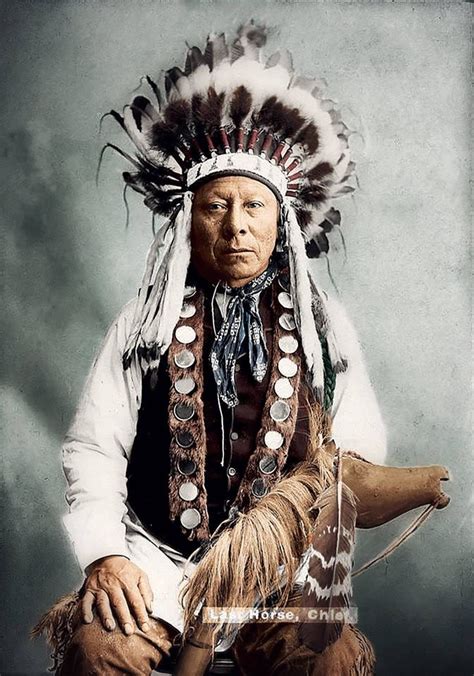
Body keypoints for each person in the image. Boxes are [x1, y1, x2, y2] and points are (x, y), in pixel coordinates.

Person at [34, 21, 448, 676]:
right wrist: (107, 556)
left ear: (280, 221)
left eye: (254, 205)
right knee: (97, 649)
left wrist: (287, 536)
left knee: (329, 664)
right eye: (217, 205)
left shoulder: (321, 326)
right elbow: (93, 445)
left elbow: (355, 457)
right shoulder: (146, 322)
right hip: (156, 565)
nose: (235, 225)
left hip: (278, 575)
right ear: (188, 221)